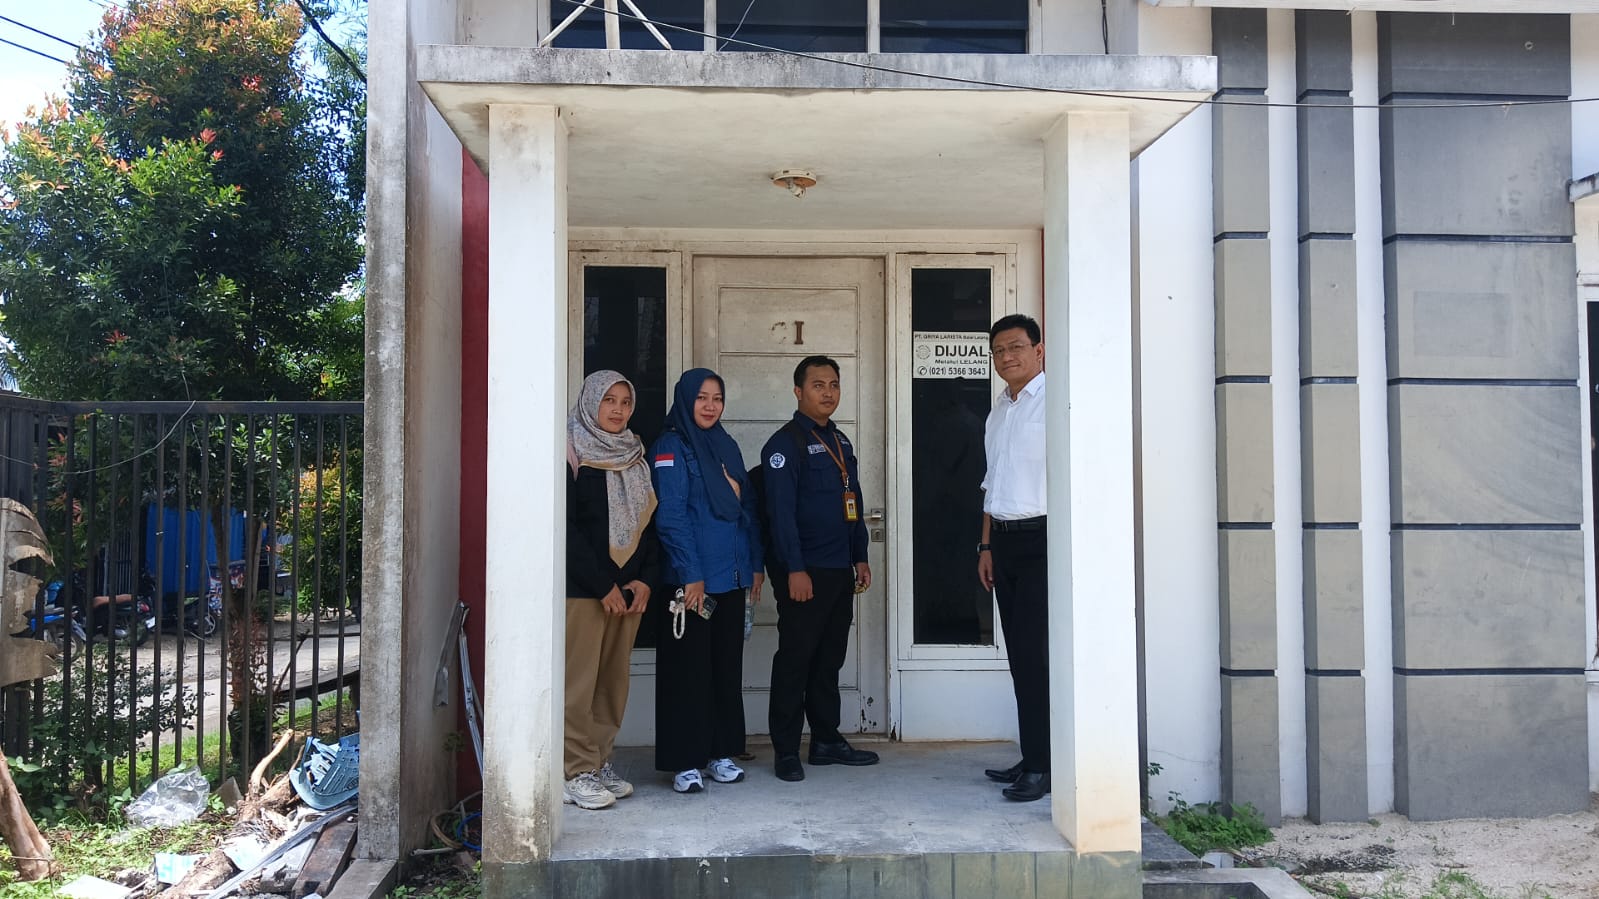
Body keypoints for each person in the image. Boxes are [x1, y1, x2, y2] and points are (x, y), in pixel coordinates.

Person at [762, 355, 877, 783]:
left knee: (829, 659)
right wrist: (794, 568)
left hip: (838, 569)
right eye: (818, 385)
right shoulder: (784, 445)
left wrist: (860, 555)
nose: (828, 393)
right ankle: (786, 750)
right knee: (796, 660)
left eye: (833, 385)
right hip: (804, 572)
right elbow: (780, 515)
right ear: (798, 391)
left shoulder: (840, 442)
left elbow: (853, 502)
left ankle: (826, 740)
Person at [649, 368, 765, 794]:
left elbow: (747, 509)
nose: (710, 406)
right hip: (691, 582)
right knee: (688, 673)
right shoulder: (671, 447)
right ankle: (685, 762)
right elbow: (670, 516)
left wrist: (754, 565)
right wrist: (691, 575)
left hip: (730, 578)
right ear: (685, 399)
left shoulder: (726, 444)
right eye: (701, 397)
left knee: (724, 670)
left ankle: (720, 753)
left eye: (717, 398)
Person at [565, 370, 659, 811]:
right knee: (579, 684)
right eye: (609, 401)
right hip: (585, 592)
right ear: (590, 403)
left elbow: (649, 525)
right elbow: (567, 530)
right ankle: (575, 770)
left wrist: (644, 579)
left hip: (628, 592)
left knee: (612, 684)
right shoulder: (572, 453)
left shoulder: (635, 456)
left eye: (625, 402)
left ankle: (600, 760)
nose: (618, 410)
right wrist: (603, 585)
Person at [976, 314, 1051, 802]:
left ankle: (1043, 768)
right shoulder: (1000, 410)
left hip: (1042, 540)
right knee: (1021, 658)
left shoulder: (1057, 403)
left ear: (1038, 350)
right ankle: (1034, 755)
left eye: (1016, 347)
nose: (1007, 357)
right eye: (999, 350)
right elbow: (991, 484)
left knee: (1037, 657)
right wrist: (985, 546)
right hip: (1002, 543)